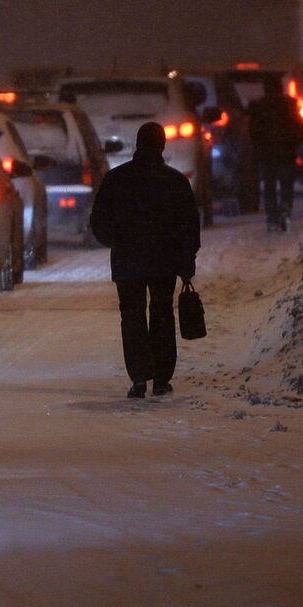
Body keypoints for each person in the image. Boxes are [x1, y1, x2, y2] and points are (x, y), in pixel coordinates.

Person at [87, 121, 201, 399]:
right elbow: (189, 226)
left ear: (138, 144)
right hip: (164, 262)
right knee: (162, 314)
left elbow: (99, 221)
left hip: (128, 262)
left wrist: (116, 241)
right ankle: (162, 378)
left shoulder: (117, 179)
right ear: (161, 145)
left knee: (132, 316)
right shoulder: (175, 181)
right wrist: (186, 263)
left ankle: (138, 377)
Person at [248, 75, 301, 232]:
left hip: (267, 154)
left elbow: (253, 132)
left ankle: (272, 217)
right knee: (286, 184)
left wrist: (257, 148)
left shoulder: (259, 107)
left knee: (270, 186)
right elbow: (300, 128)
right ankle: (285, 210)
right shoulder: (290, 105)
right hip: (286, 152)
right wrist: (294, 144)